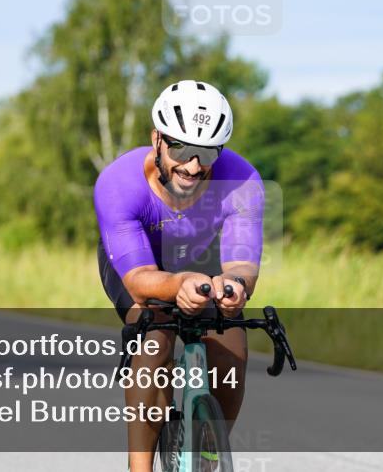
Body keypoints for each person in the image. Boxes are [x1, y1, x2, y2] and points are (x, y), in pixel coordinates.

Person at [95, 80, 264, 472]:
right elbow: (138, 280)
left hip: (196, 257)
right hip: (135, 260)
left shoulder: (242, 180)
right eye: (180, 148)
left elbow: (242, 261)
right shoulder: (119, 184)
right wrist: (176, 285)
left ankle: (208, 452)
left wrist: (235, 286)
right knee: (155, 333)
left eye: (205, 152)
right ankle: (140, 468)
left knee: (229, 334)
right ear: (156, 138)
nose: (192, 165)